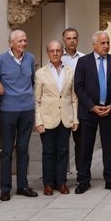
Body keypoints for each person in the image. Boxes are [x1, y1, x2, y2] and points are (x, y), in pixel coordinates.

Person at [74, 31, 111, 193]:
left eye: (108, 43)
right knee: (85, 147)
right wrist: (91, 106)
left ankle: (110, 179)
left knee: (108, 147)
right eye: (103, 43)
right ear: (94, 45)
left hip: (109, 112)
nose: (106, 46)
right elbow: (79, 86)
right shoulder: (83, 62)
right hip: (89, 112)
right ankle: (83, 181)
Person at [0, 29, 38, 201]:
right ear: (11, 43)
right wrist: (3, 104)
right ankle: (5, 188)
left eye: (25, 41)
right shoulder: (0, 61)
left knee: (24, 149)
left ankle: (23, 185)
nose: (24, 44)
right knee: (7, 150)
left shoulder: (31, 59)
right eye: (20, 41)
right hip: (8, 111)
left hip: (27, 110)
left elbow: (32, 81)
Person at [34, 40, 78, 196]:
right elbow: (37, 100)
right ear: (48, 53)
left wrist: (75, 118)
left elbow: (73, 98)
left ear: (62, 52)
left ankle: (61, 182)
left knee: (63, 151)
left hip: (65, 118)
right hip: (47, 119)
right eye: (52, 51)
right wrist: (38, 121)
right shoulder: (41, 73)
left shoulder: (70, 71)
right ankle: (48, 183)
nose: (55, 53)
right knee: (48, 152)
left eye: (58, 50)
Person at [61, 27, 85, 175]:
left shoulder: (83, 58)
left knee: (80, 143)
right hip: (62, 105)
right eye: (69, 38)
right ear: (64, 39)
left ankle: (80, 174)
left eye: (74, 38)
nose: (72, 41)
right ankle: (61, 175)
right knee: (62, 144)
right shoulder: (57, 57)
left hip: (80, 105)